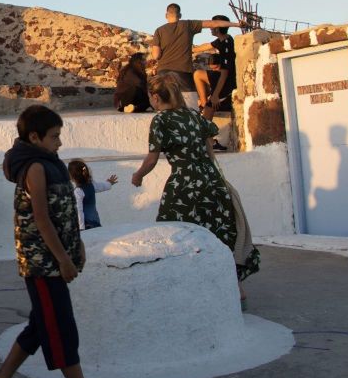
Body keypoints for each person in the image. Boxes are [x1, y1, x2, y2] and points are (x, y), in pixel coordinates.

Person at [0, 105, 92, 378]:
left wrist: (77, 244)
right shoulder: (35, 168)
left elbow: (65, 212)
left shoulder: (51, 162)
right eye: (54, 136)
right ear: (34, 137)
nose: (60, 142)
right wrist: (63, 260)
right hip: (42, 265)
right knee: (60, 329)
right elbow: (42, 219)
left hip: (55, 260)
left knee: (40, 324)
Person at [131, 75, 260, 303]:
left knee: (175, 232)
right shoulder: (193, 115)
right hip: (211, 179)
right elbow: (209, 148)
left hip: (185, 182)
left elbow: (152, 159)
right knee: (219, 233)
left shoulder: (161, 120)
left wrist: (138, 176)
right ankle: (235, 288)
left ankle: (184, 287)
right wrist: (215, 177)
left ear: (156, 97)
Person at [149, 4, 241, 93]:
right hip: (184, 73)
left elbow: (156, 55)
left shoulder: (159, 30)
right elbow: (213, 23)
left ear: (166, 15)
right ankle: (204, 104)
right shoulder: (189, 24)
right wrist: (237, 24)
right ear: (180, 15)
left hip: (163, 73)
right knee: (190, 106)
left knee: (165, 103)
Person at [193, 15, 237, 119]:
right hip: (221, 77)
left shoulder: (226, 44)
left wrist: (215, 95)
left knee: (208, 113)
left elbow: (224, 73)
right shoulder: (223, 39)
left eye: (212, 25)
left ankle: (208, 108)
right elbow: (207, 45)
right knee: (198, 74)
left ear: (217, 27)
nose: (210, 27)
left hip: (226, 84)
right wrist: (192, 49)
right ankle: (204, 105)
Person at [67, 160, 117, 229]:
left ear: (71, 177)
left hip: (86, 225)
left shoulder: (78, 191)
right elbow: (101, 186)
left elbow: (79, 211)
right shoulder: (92, 185)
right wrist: (109, 183)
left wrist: (81, 228)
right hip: (96, 221)